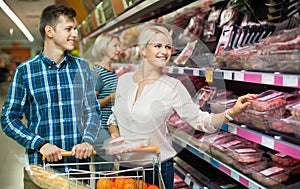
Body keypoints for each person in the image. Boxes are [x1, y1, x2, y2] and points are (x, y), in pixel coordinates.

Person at [108, 25, 257, 189]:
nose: (164, 52)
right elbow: (114, 117)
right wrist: (116, 138)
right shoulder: (125, 81)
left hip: (156, 168)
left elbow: (201, 121)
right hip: (126, 167)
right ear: (143, 50)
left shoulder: (173, 86)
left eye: (167, 47)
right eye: (157, 46)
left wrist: (232, 112)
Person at [0, 4, 101, 189]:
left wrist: (87, 139)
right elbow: (8, 119)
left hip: (78, 169)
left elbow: (92, 111)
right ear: (50, 31)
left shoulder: (82, 68)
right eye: (69, 29)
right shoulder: (26, 71)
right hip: (41, 170)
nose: (75, 34)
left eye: (76, 29)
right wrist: (40, 144)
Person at [90, 33, 121, 171]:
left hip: (112, 129)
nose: (119, 49)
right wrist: (111, 97)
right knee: (104, 172)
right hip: (101, 131)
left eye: (119, 45)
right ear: (103, 48)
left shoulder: (112, 71)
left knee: (110, 173)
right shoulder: (97, 73)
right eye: (115, 45)